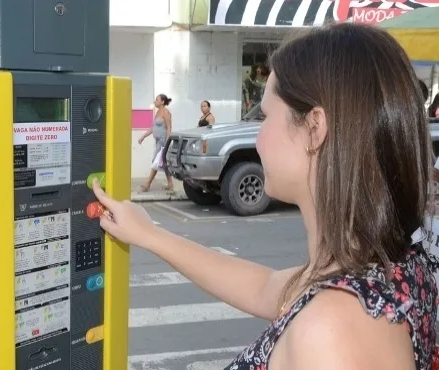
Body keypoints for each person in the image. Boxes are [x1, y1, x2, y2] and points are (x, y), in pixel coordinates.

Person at [93, 23, 438, 370]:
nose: (258, 138)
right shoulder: (383, 264)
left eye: (266, 115)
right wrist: (150, 235)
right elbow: (264, 287)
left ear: (315, 128)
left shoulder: (331, 332)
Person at [138, 93, 174, 192]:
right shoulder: (158, 112)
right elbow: (153, 128)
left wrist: (167, 141)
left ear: (162, 102)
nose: (155, 101)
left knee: (156, 161)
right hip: (158, 140)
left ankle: (147, 184)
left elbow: (169, 127)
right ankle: (170, 184)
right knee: (163, 162)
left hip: (163, 141)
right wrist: (143, 136)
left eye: (157, 100)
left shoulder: (165, 112)